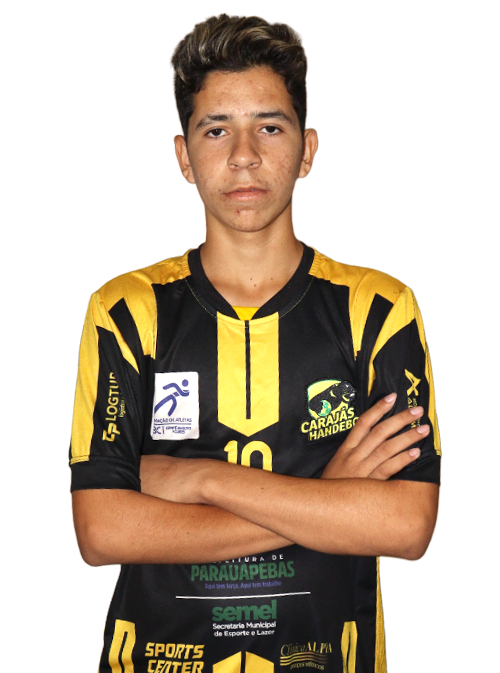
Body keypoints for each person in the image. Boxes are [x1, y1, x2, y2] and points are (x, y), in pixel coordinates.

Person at [69, 12, 441, 672]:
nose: (244, 154)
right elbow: (102, 531)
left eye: (270, 127)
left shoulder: (378, 309)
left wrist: (198, 478)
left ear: (308, 151)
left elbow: (406, 525)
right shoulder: (126, 310)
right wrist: (329, 496)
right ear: (184, 156)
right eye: (216, 129)